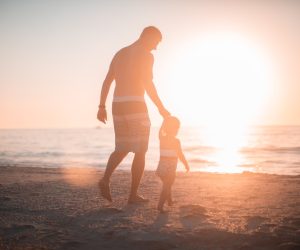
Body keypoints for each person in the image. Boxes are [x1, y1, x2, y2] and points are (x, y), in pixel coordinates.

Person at [97, 26, 170, 204]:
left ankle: (105, 179)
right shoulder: (146, 55)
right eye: (155, 42)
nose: (155, 48)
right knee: (141, 150)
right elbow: (148, 84)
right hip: (136, 105)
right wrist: (161, 108)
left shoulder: (120, 53)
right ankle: (132, 196)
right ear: (147, 37)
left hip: (117, 105)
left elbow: (107, 80)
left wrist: (101, 106)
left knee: (122, 148)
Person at [156, 116, 189, 213]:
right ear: (175, 129)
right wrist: (186, 164)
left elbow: (160, 131)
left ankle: (169, 201)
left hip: (161, 167)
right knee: (167, 185)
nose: (177, 130)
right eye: (177, 128)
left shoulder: (162, 138)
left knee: (167, 184)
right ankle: (160, 205)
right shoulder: (176, 141)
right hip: (170, 167)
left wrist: (163, 121)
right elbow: (180, 154)